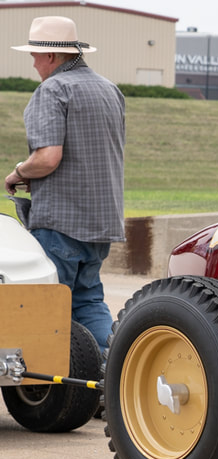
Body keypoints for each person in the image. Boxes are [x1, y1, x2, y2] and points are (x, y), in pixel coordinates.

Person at [4, 16, 125, 354]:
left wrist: (18, 173)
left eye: (34, 56)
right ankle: (115, 372)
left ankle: (46, 393)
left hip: (61, 223)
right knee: (88, 302)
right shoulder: (108, 89)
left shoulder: (53, 90)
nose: (32, 63)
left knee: (45, 312)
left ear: (52, 57)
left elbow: (47, 158)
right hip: (101, 223)